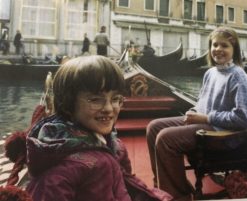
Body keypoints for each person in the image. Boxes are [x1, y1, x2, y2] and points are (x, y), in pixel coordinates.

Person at [25, 55, 172, 201]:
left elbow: (127, 185)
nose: (108, 108)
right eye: (95, 100)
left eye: (115, 99)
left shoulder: (115, 146)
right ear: (68, 104)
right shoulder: (60, 169)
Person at [146, 27, 247, 201]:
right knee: (153, 127)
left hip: (224, 135)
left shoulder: (239, 78)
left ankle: (178, 196)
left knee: (166, 138)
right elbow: (202, 103)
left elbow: (244, 119)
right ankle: (163, 185)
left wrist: (206, 117)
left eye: (224, 46)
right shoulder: (210, 73)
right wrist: (194, 111)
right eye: (214, 45)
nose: (218, 49)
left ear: (234, 50)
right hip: (205, 124)